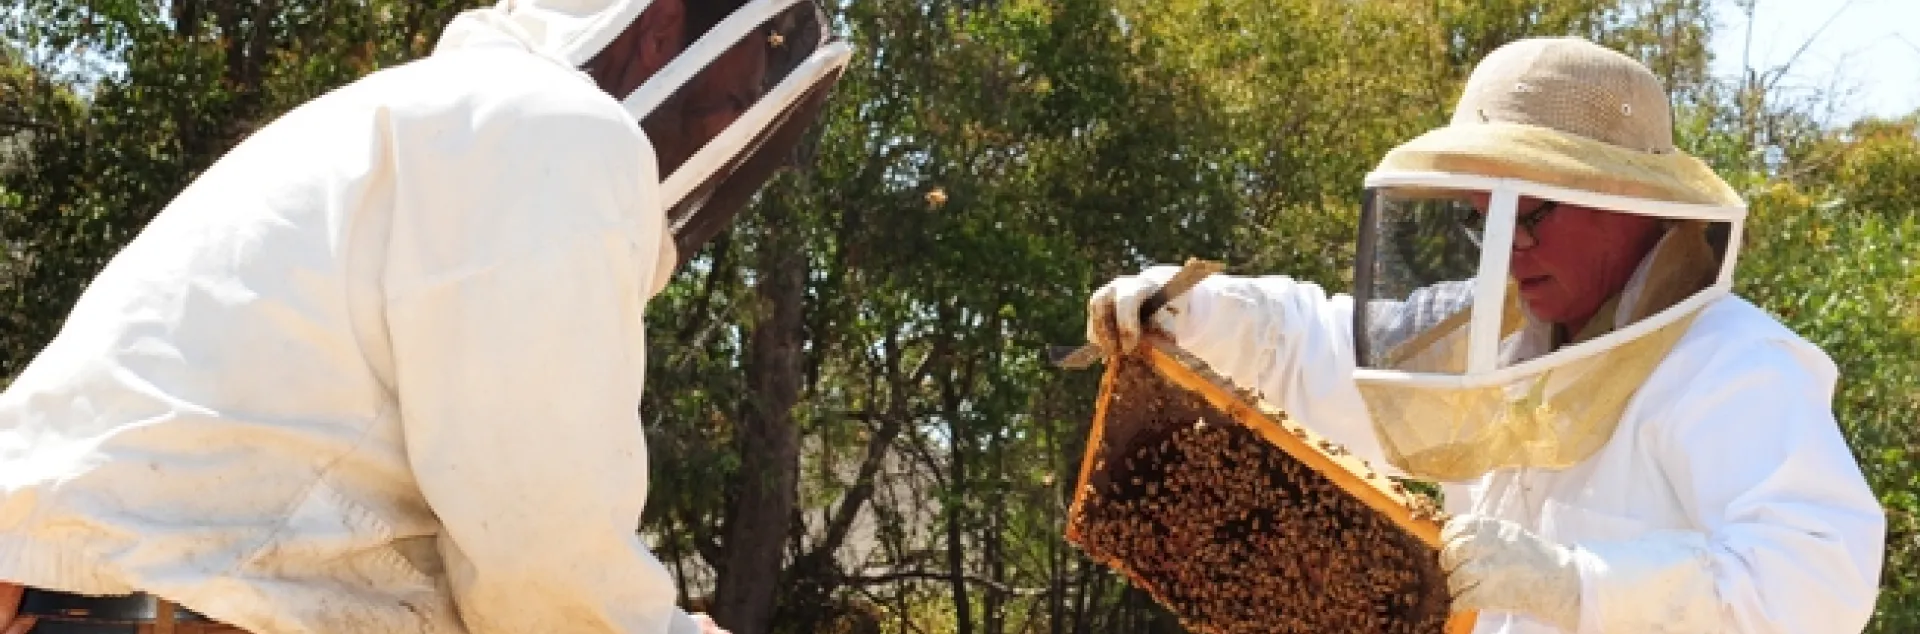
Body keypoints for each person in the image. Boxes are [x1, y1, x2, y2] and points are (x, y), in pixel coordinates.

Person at [0, 0, 849, 633]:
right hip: (134, 604)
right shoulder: (555, 131)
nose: (724, 136)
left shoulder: (451, 117)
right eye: (731, 98)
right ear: (661, 33)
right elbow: (537, 546)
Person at [1086, 37, 1884, 633]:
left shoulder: (1733, 365)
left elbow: (1817, 584)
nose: (1507, 253)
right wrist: (1194, 307)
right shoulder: (1493, 331)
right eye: (1483, 223)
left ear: (1629, 202)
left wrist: (1579, 584)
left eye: (1527, 218)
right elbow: (1332, 351)